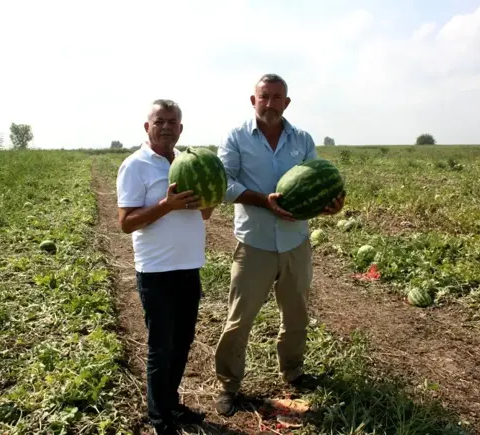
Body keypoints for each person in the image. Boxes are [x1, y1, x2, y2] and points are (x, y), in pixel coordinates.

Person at [213, 74, 345, 416]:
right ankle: (228, 385)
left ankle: (294, 372)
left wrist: (330, 204)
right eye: (264, 96)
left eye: (277, 98)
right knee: (239, 318)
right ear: (253, 100)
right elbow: (223, 182)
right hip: (254, 242)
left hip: (295, 241)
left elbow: (318, 176)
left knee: (296, 313)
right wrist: (263, 200)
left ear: (287, 103)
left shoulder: (301, 139)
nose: (270, 103)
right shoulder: (236, 137)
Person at [116, 99, 213, 434]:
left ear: (181, 128)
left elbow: (204, 213)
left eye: (173, 122)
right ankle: (158, 417)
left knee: (183, 340)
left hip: (190, 266)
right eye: (160, 121)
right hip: (156, 270)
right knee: (161, 346)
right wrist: (166, 205)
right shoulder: (135, 165)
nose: (167, 126)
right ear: (148, 127)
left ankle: (171, 403)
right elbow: (126, 223)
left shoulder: (189, 163)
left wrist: (208, 199)